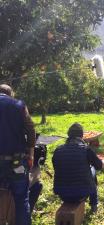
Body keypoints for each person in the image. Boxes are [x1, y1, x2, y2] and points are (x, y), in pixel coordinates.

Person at [0, 84, 36, 225]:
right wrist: (31, 154)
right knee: (21, 199)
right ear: (11, 94)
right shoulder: (19, 105)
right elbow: (31, 130)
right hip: (15, 162)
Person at [52, 123, 104, 213]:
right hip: (82, 193)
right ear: (82, 136)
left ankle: (92, 204)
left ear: (68, 135)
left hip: (62, 194)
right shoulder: (86, 149)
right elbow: (99, 166)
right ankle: (94, 204)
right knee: (92, 169)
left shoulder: (58, 150)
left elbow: (56, 167)